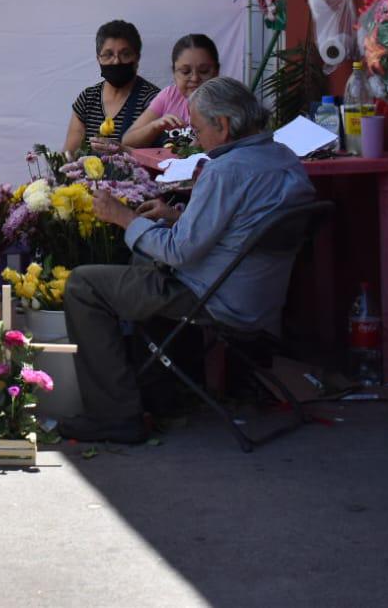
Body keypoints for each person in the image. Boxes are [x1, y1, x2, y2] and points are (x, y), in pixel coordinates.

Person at [59, 77, 317, 443]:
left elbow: (179, 252)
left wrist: (123, 217)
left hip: (215, 296)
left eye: (198, 129)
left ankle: (114, 415)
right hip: (260, 297)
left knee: (84, 284)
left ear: (223, 126)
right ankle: (159, 394)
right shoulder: (284, 158)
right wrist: (175, 216)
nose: (195, 139)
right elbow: (244, 228)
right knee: (143, 261)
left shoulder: (226, 170)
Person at [63, 19, 161, 153]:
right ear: (98, 59)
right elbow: (69, 155)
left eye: (125, 54)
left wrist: (123, 151)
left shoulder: (154, 100)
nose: (116, 61)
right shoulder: (87, 99)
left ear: (137, 58)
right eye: (108, 55)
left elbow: (160, 158)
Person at [122, 34, 221, 148]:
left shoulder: (228, 99)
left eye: (204, 71)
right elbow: (128, 140)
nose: (194, 78)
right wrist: (155, 126)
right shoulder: (169, 95)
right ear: (174, 73)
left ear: (216, 71)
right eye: (185, 71)